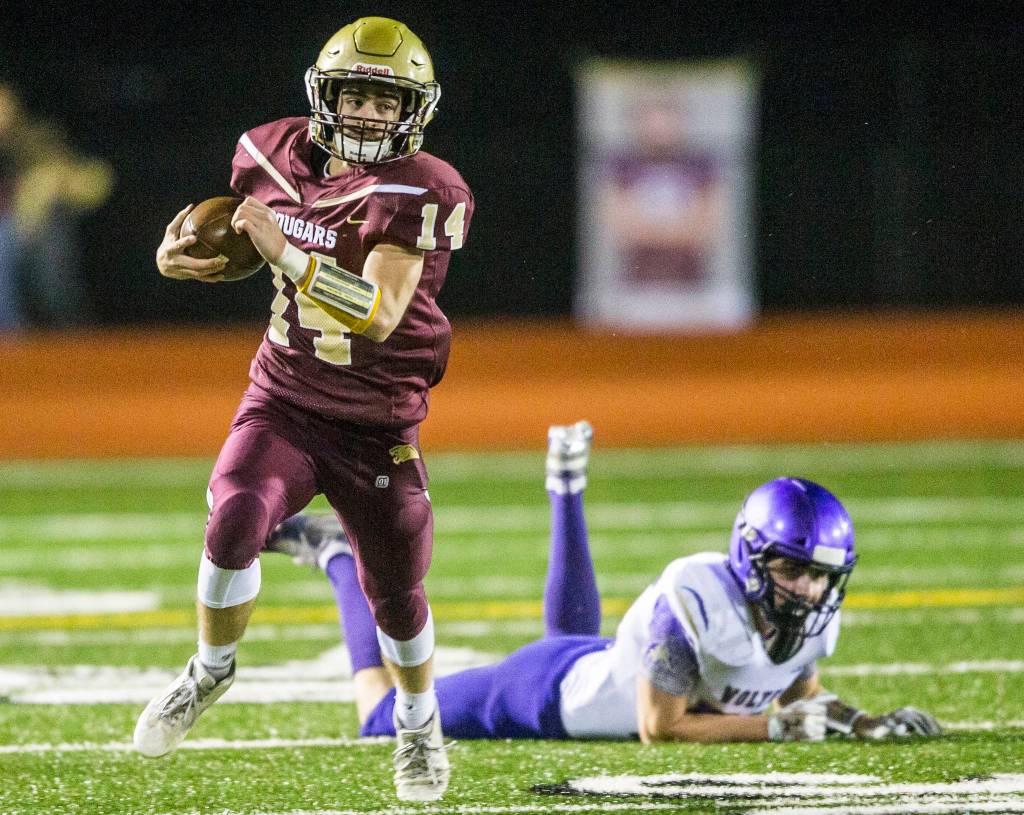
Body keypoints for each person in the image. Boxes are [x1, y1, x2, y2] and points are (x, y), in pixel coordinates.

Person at [133, 17, 474, 803]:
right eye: (355, 94)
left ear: (411, 113)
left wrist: (288, 252)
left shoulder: (423, 187)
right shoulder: (269, 153)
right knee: (234, 516)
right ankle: (208, 669)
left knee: (395, 586)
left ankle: (419, 725)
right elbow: (233, 237)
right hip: (284, 395)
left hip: (377, 417)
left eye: (385, 102)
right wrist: (174, 251)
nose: (366, 114)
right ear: (325, 95)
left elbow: (381, 312)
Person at [267, 421, 942, 744]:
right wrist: (776, 729)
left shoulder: (815, 617)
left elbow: (803, 690)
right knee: (382, 721)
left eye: (821, 577)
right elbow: (661, 728)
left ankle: (566, 484)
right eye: (792, 570)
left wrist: (865, 721)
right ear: (752, 558)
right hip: (539, 696)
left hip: (595, 667)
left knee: (576, 636)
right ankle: (337, 558)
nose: (806, 591)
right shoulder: (697, 597)